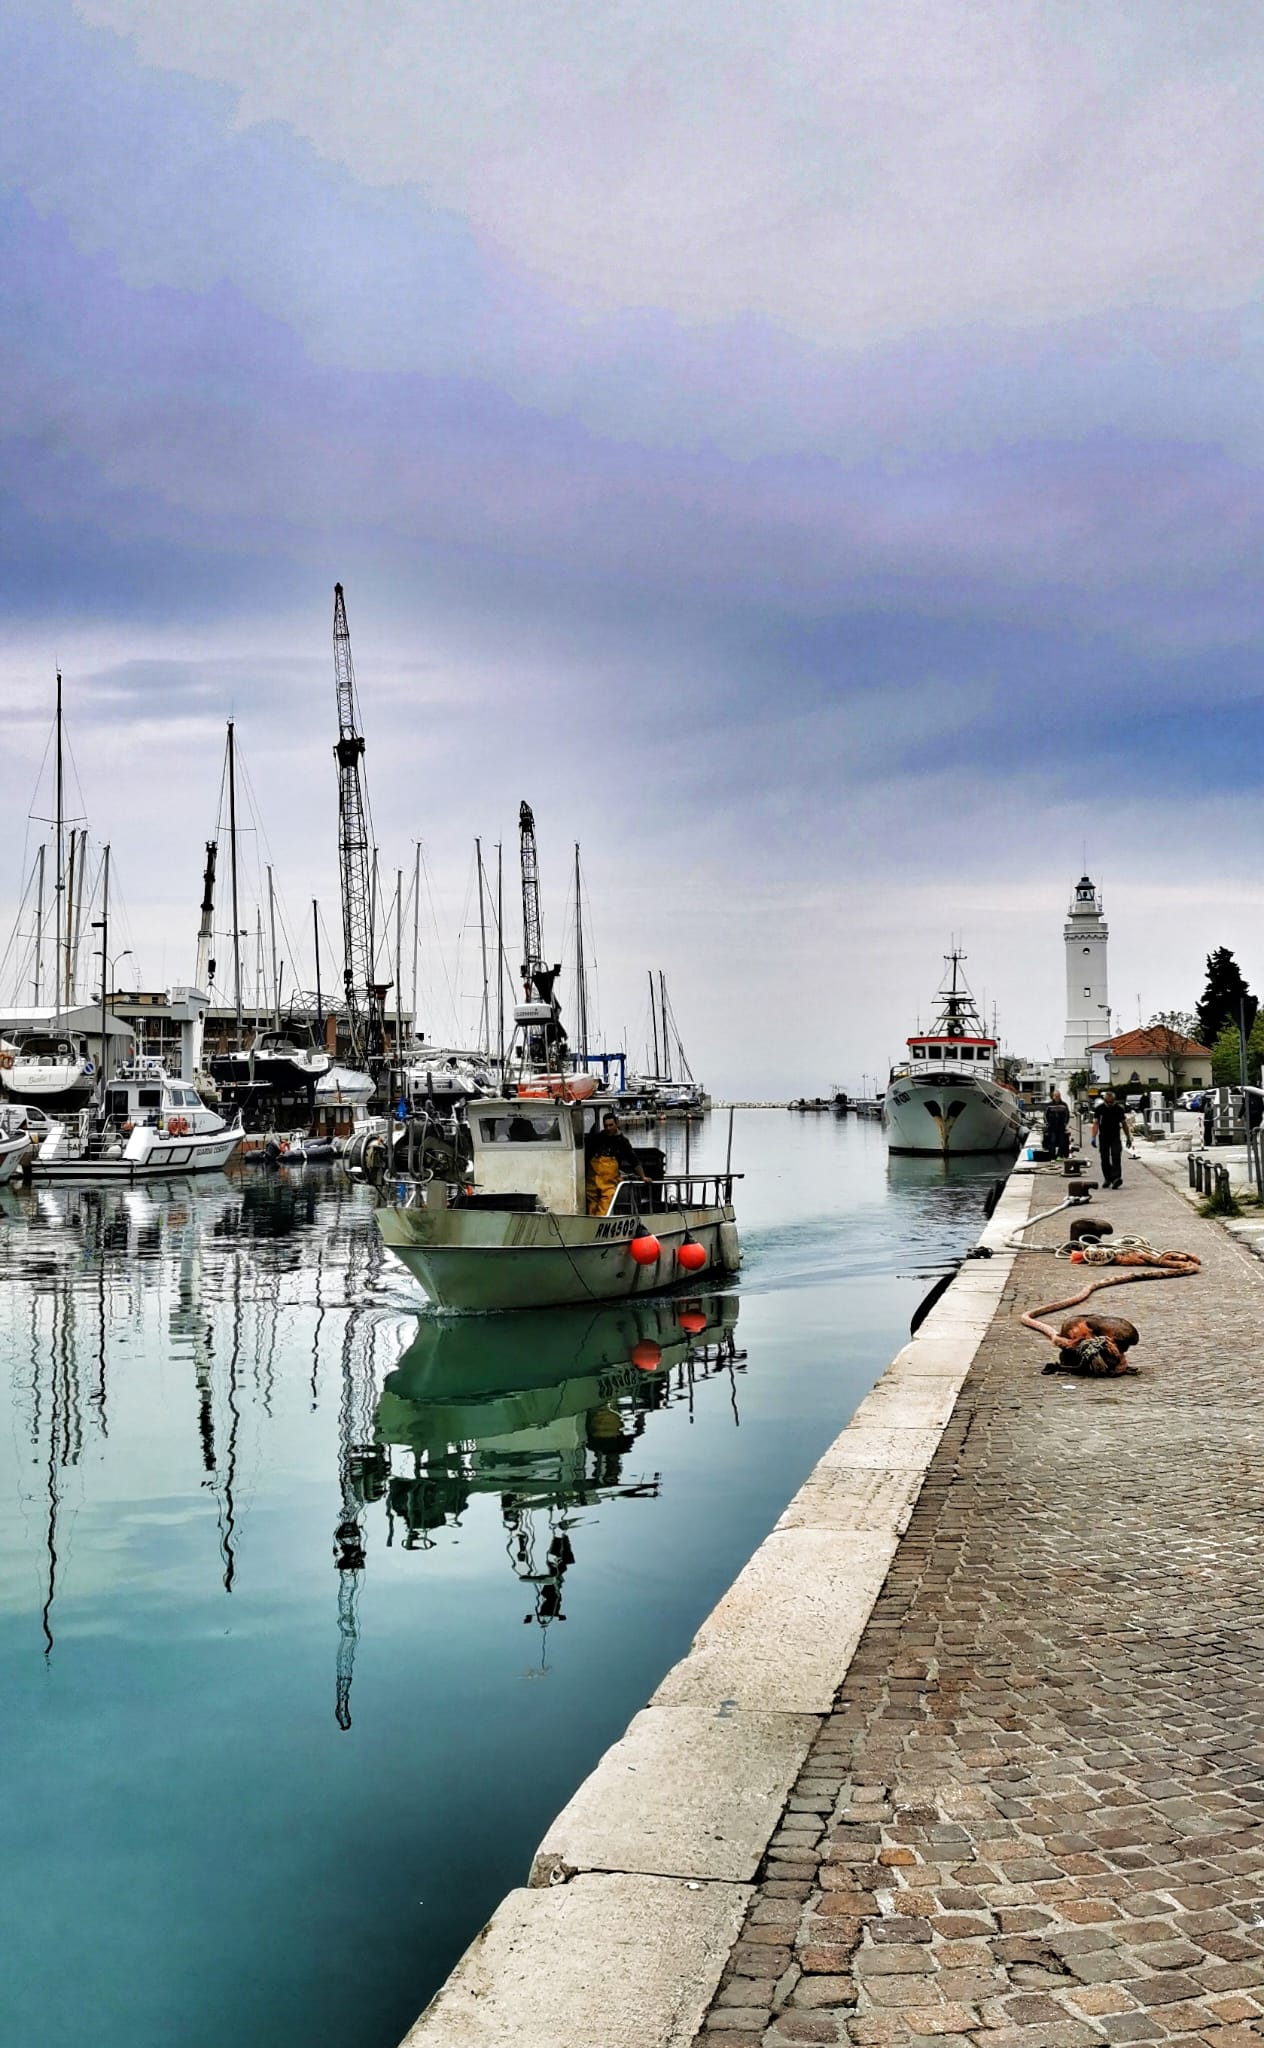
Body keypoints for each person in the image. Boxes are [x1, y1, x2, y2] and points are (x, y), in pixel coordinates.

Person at [584, 1110, 650, 1216]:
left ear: (617, 1124)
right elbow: (587, 1154)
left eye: (611, 1125)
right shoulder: (598, 1138)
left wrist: (643, 1176)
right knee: (591, 1205)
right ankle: (591, 1224)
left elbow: (633, 1160)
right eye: (606, 1126)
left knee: (605, 1206)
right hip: (592, 1180)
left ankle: (600, 1223)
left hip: (608, 1182)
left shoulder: (622, 1142)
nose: (608, 1128)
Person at [1091, 1089, 1131, 1189]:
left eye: (1111, 1102)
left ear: (1114, 1100)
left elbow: (1124, 1124)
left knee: (1116, 1156)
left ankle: (1116, 1178)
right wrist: (1093, 1136)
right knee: (1104, 1158)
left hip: (1115, 1136)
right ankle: (1108, 1178)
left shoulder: (1118, 1109)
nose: (1109, 1104)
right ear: (1104, 1100)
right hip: (1104, 1136)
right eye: (1107, 1102)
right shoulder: (1099, 1109)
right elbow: (1095, 1124)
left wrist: (1128, 1137)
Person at [1042, 1087, 1071, 1160]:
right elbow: (1045, 1115)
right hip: (1052, 1127)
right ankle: (1052, 1156)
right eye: (1056, 1096)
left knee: (1062, 1142)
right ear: (1053, 1097)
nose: (1057, 1097)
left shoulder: (1064, 1105)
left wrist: (1065, 1123)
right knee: (1052, 1141)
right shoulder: (1049, 1105)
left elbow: (1067, 1115)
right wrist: (1047, 1124)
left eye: (1058, 1096)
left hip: (1061, 1127)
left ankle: (1060, 1155)